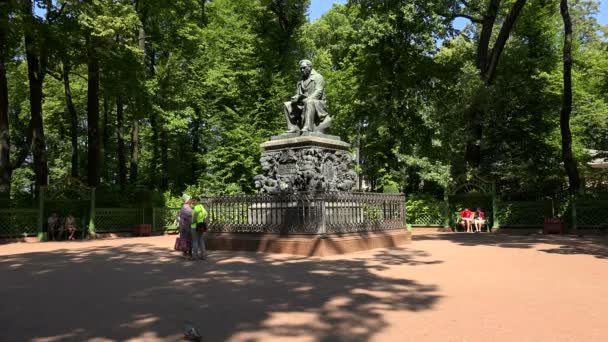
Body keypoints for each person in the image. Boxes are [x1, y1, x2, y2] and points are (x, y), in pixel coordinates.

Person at [283, 59, 332, 134]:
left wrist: (308, 99)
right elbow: (299, 93)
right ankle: (294, 127)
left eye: (304, 68)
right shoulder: (300, 81)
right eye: (301, 68)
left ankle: (308, 127)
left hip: (318, 103)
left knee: (309, 102)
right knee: (287, 104)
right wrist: (295, 98)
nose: (302, 70)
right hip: (303, 102)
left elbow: (318, 92)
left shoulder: (318, 77)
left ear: (310, 67)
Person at [190, 196, 208, 260]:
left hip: (195, 226)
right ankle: (203, 255)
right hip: (201, 226)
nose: (193, 202)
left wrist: (192, 222)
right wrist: (202, 220)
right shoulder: (202, 207)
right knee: (201, 240)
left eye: (194, 200)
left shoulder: (196, 207)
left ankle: (194, 256)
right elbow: (206, 215)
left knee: (195, 241)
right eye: (192, 200)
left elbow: (194, 218)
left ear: (198, 201)